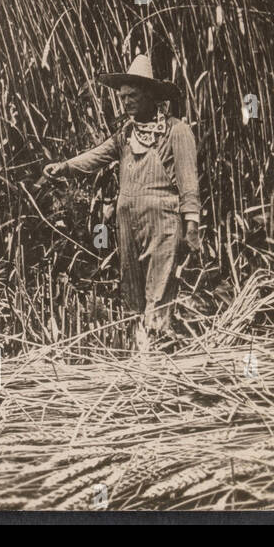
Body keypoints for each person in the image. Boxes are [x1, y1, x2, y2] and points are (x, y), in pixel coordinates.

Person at [42, 54, 201, 350]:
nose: (126, 102)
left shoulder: (177, 131)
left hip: (163, 222)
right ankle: (141, 352)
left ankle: (155, 352)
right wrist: (64, 166)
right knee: (132, 293)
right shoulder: (126, 135)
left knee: (160, 289)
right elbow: (97, 155)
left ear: (151, 95)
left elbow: (189, 183)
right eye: (123, 97)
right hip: (127, 224)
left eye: (133, 96)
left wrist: (191, 225)